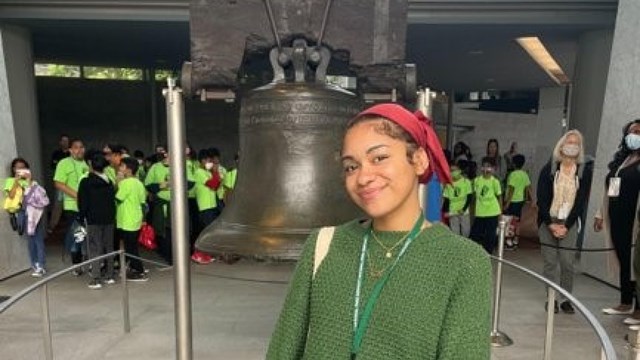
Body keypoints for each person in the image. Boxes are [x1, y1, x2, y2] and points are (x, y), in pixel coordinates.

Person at [267, 103, 491, 359]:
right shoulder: (323, 245)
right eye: (352, 166)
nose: (363, 178)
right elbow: (282, 349)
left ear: (418, 160)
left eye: (379, 158)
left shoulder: (464, 262)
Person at [537, 130, 593, 314]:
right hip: (548, 222)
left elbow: (581, 202)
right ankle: (551, 299)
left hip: (569, 222)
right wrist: (550, 223)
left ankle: (566, 299)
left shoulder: (584, 171)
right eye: (569, 142)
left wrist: (566, 226)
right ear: (561, 145)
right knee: (550, 263)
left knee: (567, 263)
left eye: (576, 143)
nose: (572, 146)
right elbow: (542, 199)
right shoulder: (549, 169)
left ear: (580, 148)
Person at [595, 119, 640, 323]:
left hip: (634, 220)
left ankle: (638, 308)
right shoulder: (623, 160)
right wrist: (600, 214)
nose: (634, 135)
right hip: (616, 217)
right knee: (623, 259)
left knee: (635, 263)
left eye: (639, 132)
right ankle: (624, 302)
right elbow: (610, 188)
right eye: (631, 131)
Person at [77, 152, 116, 289]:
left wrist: (81, 217)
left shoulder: (86, 182)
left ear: (90, 165)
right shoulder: (109, 182)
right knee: (109, 247)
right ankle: (110, 275)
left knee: (94, 247)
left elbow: (83, 203)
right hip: (109, 218)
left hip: (93, 219)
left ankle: (96, 278)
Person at [5, 158, 49, 277]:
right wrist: (16, 181)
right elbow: (11, 195)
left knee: (38, 238)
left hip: (34, 212)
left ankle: (41, 264)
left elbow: (38, 196)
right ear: (13, 169)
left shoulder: (31, 181)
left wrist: (29, 180)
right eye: (17, 167)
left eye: (23, 167)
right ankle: (35, 264)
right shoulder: (10, 181)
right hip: (21, 212)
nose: (20, 170)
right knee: (30, 239)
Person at [54, 139, 90, 271]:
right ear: (70, 150)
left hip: (88, 207)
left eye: (81, 147)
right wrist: (78, 196)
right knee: (77, 235)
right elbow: (58, 183)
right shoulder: (64, 163)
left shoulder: (87, 164)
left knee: (88, 236)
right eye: (76, 147)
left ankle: (88, 261)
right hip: (72, 207)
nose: (79, 150)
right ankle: (77, 264)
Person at [116, 157, 149, 282]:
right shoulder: (139, 183)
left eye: (122, 166)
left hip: (126, 220)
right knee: (133, 246)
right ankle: (135, 268)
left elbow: (118, 198)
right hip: (136, 219)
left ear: (129, 169)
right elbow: (143, 203)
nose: (120, 168)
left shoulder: (125, 183)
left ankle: (139, 271)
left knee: (130, 248)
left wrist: (118, 182)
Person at [469, 157, 502, 253]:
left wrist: (500, 213)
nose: (485, 169)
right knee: (474, 235)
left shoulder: (495, 181)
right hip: (480, 212)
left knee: (490, 236)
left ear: (493, 168)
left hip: (492, 212)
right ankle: (474, 253)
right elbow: (474, 197)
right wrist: (472, 211)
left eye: (488, 166)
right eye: (483, 166)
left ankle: (488, 254)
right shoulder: (476, 180)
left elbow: (499, 197)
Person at [191, 149, 218, 264]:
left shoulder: (208, 172)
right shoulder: (199, 172)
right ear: (201, 161)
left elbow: (216, 186)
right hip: (204, 206)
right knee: (204, 232)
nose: (209, 162)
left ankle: (205, 254)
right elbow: (212, 184)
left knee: (209, 231)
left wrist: (214, 173)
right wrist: (215, 172)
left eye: (210, 160)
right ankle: (197, 254)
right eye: (207, 160)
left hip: (212, 205)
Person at [503, 154, 533, 249]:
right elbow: (529, 188)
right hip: (520, 201)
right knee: (517, 221)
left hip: (512, 201)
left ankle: (509, 242)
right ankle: (516, 240)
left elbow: (511, 189)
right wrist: (533, 201)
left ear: (514, 164)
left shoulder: (513, 174)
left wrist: (507, 203)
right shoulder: (524, 174)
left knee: (510, 222)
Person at [443, 160, 473, 237]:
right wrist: (445, 211)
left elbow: (469, 197)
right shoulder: (448, 184)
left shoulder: (466, 182)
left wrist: (463, 209)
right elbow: (447, 199)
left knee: (466, 231)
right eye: (451, 170)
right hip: (453, 212)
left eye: (454, 170)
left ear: (459, 171)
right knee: (455, 233)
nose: (452, 172)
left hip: (464, 212)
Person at [48, 134, 70, 233]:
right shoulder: (56, 153)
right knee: (58, 205)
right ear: (60, 142)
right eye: (63, 141)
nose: (65, 143)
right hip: (60, 183)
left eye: (67, 141)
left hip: (71, 184)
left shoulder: (71, 153)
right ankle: (52, 226)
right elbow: (53, 165)